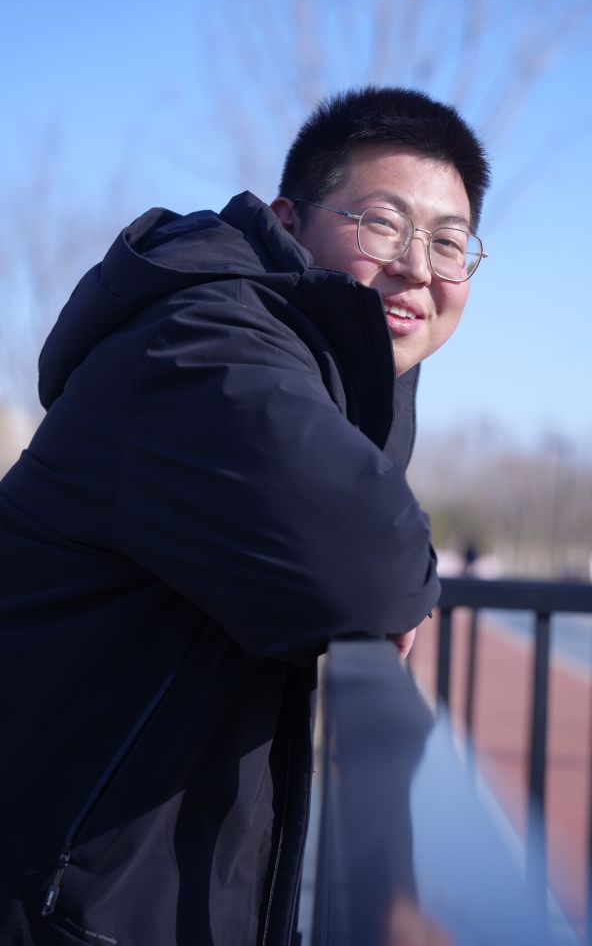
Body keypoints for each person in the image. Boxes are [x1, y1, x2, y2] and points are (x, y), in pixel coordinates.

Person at [0, 86, 490, 946]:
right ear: (287, 220)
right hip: (49, 900)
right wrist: (400, 582)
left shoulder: (330, 380)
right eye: (383, 223)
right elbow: (369, 570)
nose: (419, 265)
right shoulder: (204, 338)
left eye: (449, 242)